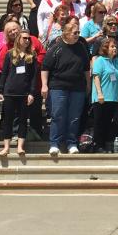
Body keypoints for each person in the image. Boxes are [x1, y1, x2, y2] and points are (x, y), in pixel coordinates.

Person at [41, 17, 91, 156]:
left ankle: (71, 143)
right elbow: (45, 67)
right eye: (75, 33)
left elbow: (86, 68)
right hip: (58, 86)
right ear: (67, 33)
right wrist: (44, 85)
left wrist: (88, 84)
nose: (77, 35)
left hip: (78, 87)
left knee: (74, 117)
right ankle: (54, 143)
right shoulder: (56, 47)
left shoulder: (81, 48)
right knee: (58, 115)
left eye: (78, 33)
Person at [0, 32, 38, 158]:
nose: (27, 40)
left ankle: (20, 146)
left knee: (23, 120)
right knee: (8, 120)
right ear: (18, 39)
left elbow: (34, 77)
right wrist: (0, 91)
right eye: (24, 38)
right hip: (10, 92)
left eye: (28, 39)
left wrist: (32, 93)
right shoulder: (10, 54)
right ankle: (6, 147)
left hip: (24, 93)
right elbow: (4, 74)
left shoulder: (32, 56)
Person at [90, 37, 118, 152]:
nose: (115, 48)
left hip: (113, 97)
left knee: (108, 123)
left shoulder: (117, 61)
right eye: (112, 47)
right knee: (99, 122)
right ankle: (98, 145)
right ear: (105, 48)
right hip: (101, 97)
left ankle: (103, 144)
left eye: (115, 47)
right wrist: (99, 93)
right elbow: (96, 77)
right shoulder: (100, 60)